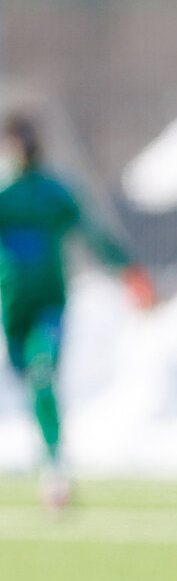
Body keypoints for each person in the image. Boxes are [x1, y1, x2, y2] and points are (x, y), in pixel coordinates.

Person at [0, 112, 154, 509]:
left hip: (49, 305)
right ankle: (45, 449)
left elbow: (92, 233)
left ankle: (55, 469)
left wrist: (128, 271)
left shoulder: (54, 192)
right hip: (11, 310)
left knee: (42, 371)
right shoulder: (4, 194)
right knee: (28, 380)